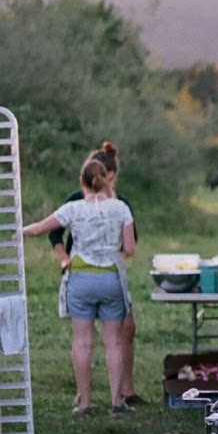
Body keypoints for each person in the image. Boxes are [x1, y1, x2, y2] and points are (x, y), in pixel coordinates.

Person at [24, 156, 136, 415]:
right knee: (113, 342)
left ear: (82, 182)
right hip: (111, 280)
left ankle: (85, 402)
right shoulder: (120, 208)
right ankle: (116, 401)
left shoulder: (73, 208)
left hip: (80, 281)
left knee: (83, 342)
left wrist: (19, 231)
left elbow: (39, 229)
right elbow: (129, 248)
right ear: (105, 179)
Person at [50, 142, 144, 405]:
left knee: (125, 328)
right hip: (83, 272)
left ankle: (125, 390)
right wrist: (64, 258)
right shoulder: (75, 201)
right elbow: (54, 233)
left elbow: (130, 243)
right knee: (87, 337)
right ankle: (85, 393)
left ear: (110, 175)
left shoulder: (120, 205)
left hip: (110, 273)